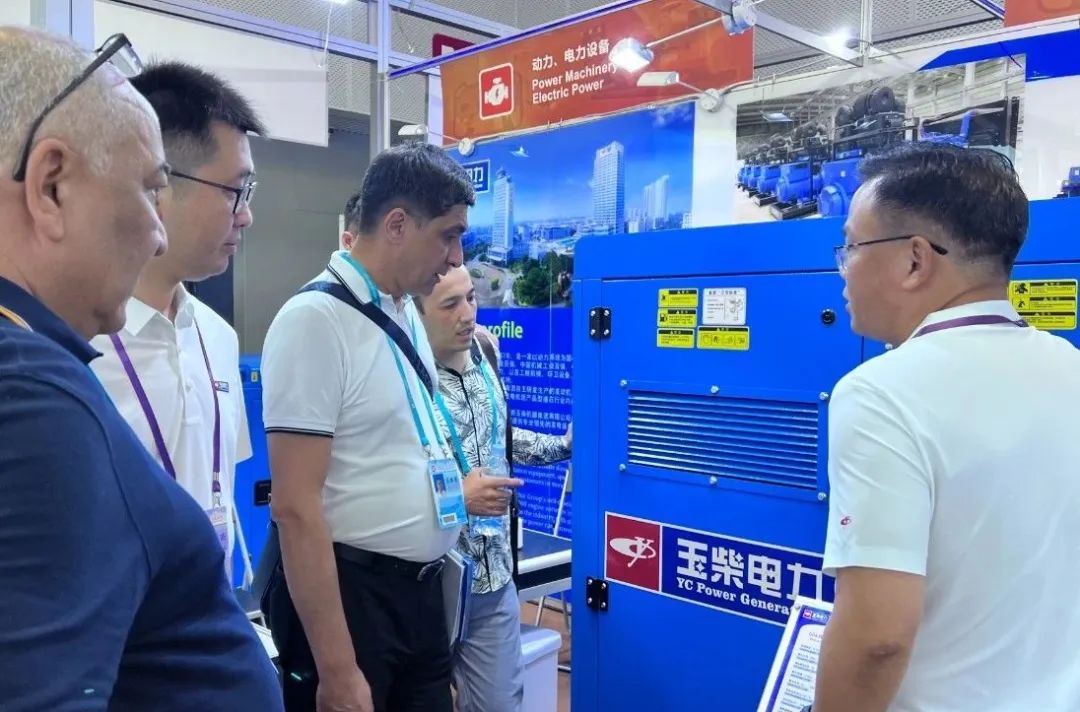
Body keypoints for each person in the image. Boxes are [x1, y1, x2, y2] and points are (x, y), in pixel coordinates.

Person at [0, 26, 282, 710]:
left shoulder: (40, 362)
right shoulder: (32, 391)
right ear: (51, 187)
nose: (157, 232)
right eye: (149, 188)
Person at [813, 143, 1080, 712]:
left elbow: (878, 638)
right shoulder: (1070, 367)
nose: (843, 272)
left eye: (851, 247)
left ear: (915, 260)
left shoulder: (882, 392)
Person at [261, 142, 476, 712]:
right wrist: (337, 668)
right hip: (353, 603)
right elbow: (295, 507)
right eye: (448, 236)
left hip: (421, 598)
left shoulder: (404, 310)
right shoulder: (313, 321)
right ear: (398, 225)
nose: (456, 258)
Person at [90, 62, 265, 569]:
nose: (246, 215)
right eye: (234, 191)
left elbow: (218, 484)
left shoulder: (218, 337)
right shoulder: (74, 344)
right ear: (158, 184)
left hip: (208, 604)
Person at [416, 265, 572, 712]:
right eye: (450, 304)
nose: (468, 314)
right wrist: (458, 500)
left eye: (471, 298)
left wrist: (562, 446)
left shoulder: (485, 352)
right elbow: (386, 485)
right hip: (428, 583)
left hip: (494, 577)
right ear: (416, 313)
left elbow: (499, 439)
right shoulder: (404, 379)